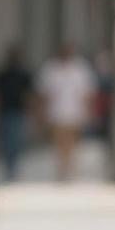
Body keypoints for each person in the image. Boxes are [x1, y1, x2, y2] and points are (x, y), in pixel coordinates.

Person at [35, 41, 96, 182]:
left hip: (75, 114)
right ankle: (62, 169)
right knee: (59, 143)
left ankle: (69, 168)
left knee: (72, 142)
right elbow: (44, 93)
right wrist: (41, 112)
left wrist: (89, 111)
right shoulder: (50, 68)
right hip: (56, 114)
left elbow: (87, 93)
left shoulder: (80, 68)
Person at [0, 43, 35, 180]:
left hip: (18, 112)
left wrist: (30, 110)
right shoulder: (1, 75)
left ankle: (13, 166)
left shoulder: (24, 74)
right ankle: (9, 166)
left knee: (15, 140)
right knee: (6, 140)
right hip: (4, 111)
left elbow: (29, 95)